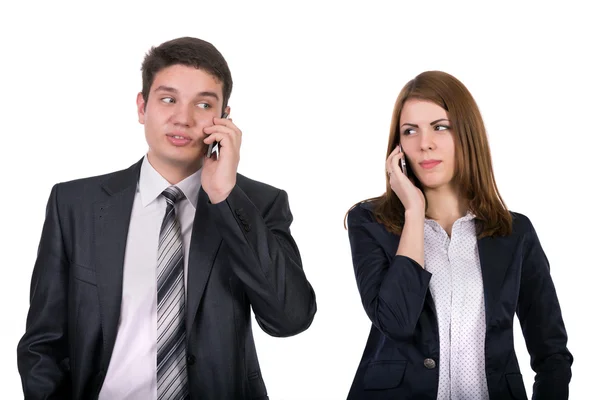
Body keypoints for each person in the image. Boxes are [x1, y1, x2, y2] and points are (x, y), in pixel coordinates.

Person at [17, 36, 317, 400]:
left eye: (203, 104)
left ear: (224, 119)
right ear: (142, 107)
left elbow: (291, 319)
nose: (183, 118)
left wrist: (224, 195)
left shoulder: (258, 204)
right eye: (168, 99)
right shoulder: (74, 204)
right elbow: (43, 343)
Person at [345, 71, 572, 400]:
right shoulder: (370, 222)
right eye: (410, 131)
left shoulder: (515, 233)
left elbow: (551, 353)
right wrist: (412, 212)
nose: (425, 143)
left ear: (467, 133)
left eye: (440, 126)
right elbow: (396, 321)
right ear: (398, 147)